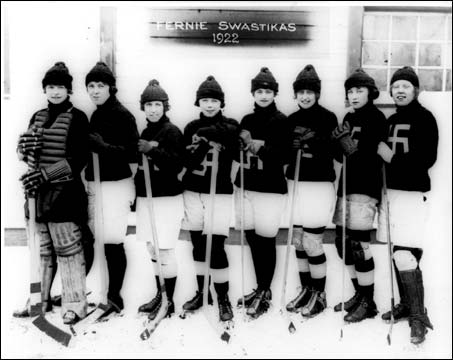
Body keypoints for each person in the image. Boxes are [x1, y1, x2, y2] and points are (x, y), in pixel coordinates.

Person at [16, 61, 89, 324]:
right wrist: (22, 150)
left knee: (67, 250)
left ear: (69, 90)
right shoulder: (37, 116)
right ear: (44, 89)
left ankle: (75, 304)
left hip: (64, 194)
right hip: (36, 196)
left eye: (60, 87)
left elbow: (79, 158)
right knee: (41, 251)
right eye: (50, 86)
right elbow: (26, 155)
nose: (55, 91)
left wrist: (47, 175)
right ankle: (39, 300)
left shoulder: (78, 117)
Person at [377, 66, 437, 345]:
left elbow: (426, 159)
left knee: (405, 254)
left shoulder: (425, 118)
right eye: (396, 86)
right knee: (397, 249)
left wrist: (391, 158)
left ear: (416, 90)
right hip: (392, 194)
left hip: (412, 194)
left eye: (406, 86)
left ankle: (417, 316)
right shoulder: (390, 120)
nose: (400, 91)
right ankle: (405, 304)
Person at [181, 76, 239, 322]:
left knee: (216, 247)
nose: (209, 104)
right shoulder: (190, 126)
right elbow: (187, 159)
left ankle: (223, 296)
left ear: (221, 103)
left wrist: (210, 134)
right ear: (198, 102)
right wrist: (200, 144)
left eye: (214, 100)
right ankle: (202, 292)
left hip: (220, 192)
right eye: (205, 100)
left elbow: (233, 138)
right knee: (198, 245)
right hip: (194, 190)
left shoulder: (230, 124)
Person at [331, 68, 387, 322]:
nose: (353, 95)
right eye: (350, 91)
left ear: (370, 93)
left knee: (358, 244)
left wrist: (350, 147)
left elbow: (372, 158)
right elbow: (339, 155)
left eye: (359, 90)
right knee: (342, 243)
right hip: (346, 184)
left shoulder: (377, 119)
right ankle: (359, 293)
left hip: (366, 186)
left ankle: (369, 301)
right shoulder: (348, 117)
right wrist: (337, 145)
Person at [84, 61, 139, 317]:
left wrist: (103, 147)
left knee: (113, 241)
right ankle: (95, 292)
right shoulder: (95, 114)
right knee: (97, 239)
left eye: (100, 85)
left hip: (116, 185)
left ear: (111, 87)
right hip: (97, 183)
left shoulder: (122, 115)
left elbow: (131, 154)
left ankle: (114, 296)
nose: (95, 90)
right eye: (91, 86)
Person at [235, 67, 290, 319]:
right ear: (253, 93)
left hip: (269, 187)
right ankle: (260, 288)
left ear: (275, 93)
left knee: (266, 239)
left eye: (268, 91)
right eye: (259, 91)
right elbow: (238, 152)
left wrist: (257, 145)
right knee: (252, 237)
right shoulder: (246, 119)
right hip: (246, 184)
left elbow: (284, 156)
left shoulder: (281, 120)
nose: (264, 95)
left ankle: (265, 291)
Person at [284, 65, 337, 317]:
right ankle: (306, 289)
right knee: (298, 241)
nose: (305, 96)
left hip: (318, 184)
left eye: (310, 92)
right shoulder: (291, 120)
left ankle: (319, 294)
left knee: (312, 241)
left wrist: (315, 140)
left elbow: (337, 152)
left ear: (317, 94)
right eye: (301, 92)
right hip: (295, 183)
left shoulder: (328, 118)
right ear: (295, 94)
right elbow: (282, 152)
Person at [135, 79, 184, 320]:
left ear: (165, 106)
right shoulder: (146, 131)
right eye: (148, 105)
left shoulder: (172, 131)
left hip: (166, 198)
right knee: (152, 248)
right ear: (143, 107)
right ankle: (160, 294)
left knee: (164, 250)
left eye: (157, 104)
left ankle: (169, 301)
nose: (153, 109)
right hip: (147, 198)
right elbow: (142, 170)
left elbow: (176, 164)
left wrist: (152, 150)